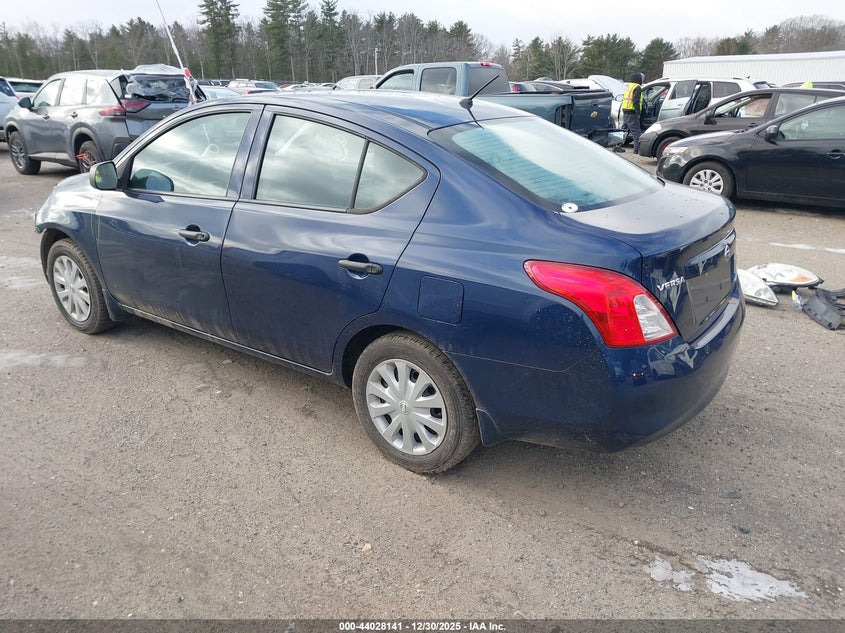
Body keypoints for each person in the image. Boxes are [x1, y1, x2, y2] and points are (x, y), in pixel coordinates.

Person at [621, 72, 646, 153]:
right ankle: (637, 149)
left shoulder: (629, 86)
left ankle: (617, 145)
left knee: (624, 130)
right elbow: (635, 101)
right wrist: (638, 113)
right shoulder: (637, 87)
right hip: (632, 112)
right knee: (636, 131)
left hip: (625, 110)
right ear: (639, 79)